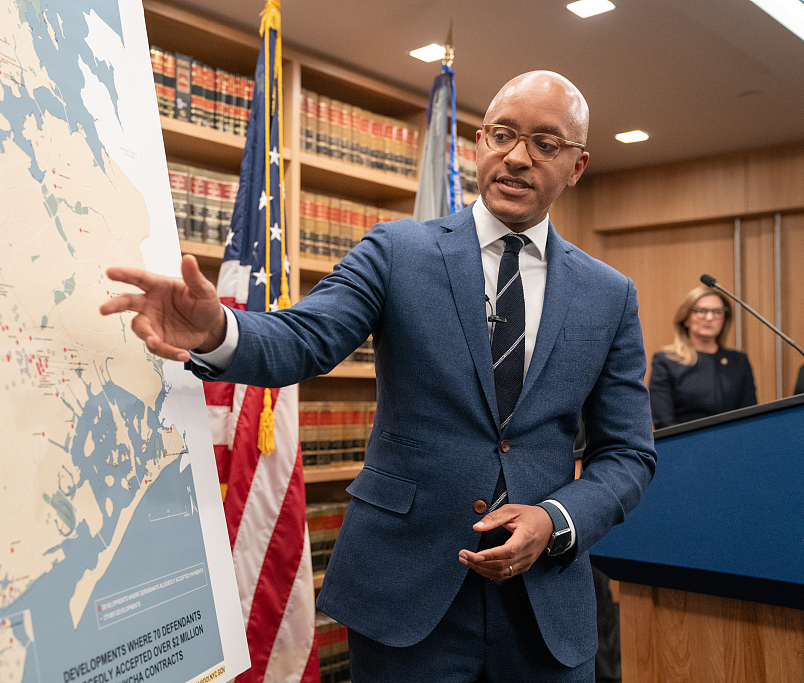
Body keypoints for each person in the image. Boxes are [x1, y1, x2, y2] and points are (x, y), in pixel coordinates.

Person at [101, 71, 656, 682]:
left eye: (545, 144)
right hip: (405, 598)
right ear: (478, 143)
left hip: (544, 613)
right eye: (503, 135)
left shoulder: (609, 296)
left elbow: (627, 454)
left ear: (576, 167)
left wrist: (555, 519)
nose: (517, 157)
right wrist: (217, 332)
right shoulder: (398, 251)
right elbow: (303, 339)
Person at [649, 287, 757, 429]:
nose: (709, 317)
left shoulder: (739, 361)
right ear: (686, 318)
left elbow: (750, 416)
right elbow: (664, 422)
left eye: (717, 312)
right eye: (701, 311)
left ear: (724, 320)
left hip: (734, 444)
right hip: (684, 445)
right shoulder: (666, 361)